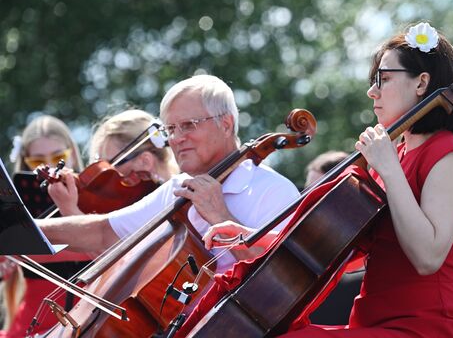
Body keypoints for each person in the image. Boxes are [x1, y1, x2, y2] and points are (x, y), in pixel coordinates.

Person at [203, 22, 453, 337]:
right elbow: (332, 247)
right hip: (373, 323)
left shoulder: (449, 155)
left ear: (422, 83)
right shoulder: (393, 156)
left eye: (384, 78)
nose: (372, 91)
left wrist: (388, 168)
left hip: (428, 327)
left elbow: (427, 258)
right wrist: (255, 238)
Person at [36, 74, 300, 276]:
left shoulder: (273, 190)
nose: (177, 138)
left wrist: (221, 216)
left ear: (226, 123)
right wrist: (21, 229)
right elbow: (103, 232)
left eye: (188, 125)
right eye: (171, 129)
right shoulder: (178, 188)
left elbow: (284, 276)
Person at [1, 115, 86, 337]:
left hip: (90, 320)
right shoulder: (13, 211)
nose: (49, 167)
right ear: (25, 161)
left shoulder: (99, 197)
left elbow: (103, 249)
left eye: (59, 157)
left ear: (73, 155)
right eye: (37, 161)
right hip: (33, 324)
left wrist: (71, 211)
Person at [48, 109, 179, 216]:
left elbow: (114, 244)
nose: (104, 176)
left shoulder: (173, 205)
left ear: (145, 162)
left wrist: (71, 211)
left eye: (111, 164)